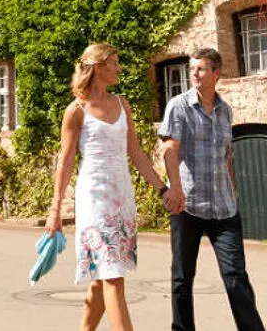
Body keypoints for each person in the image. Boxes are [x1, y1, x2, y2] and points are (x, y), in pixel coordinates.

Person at [45, 43, 171, 331]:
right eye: (114, 62)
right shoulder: (76, 111)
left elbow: (136, 153)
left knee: (103, 278)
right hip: (94, 198)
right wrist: (55, 210)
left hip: (121, 195)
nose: (119, 68)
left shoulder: (122, 103)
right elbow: (64, 163)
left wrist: (162, 190)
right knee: (113, 277)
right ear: (98, 67)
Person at [159, 48, 266, 331]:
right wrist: (176, 191)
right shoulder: (178, 106)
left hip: (223, 207)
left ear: (216, 73)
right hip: (188, 205)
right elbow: (170, 151)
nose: (194, 73)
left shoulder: (225, 110)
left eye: (201, 69)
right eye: (192, 68)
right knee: (182, 277)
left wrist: (233, 189)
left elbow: (226, 154)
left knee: (235, 276)